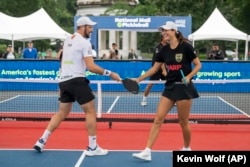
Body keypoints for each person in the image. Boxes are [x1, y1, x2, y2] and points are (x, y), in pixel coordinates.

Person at [33, 16, 121, 156]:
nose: (91, 29)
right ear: (82, 27)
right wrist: (110, 73)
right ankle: (93, 148)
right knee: (90, 112)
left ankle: (41, 140)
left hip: (64, 81)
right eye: (89, 27)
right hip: (77, 81)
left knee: (62, 113)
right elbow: (91, 67)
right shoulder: (85, 43)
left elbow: (61, 60)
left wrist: (62, 81)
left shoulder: (68, 40)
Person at [132, 21, 202, 161]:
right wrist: (138, 79)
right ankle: (147, 151)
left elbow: (198, 65)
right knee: (158, 119)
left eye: (166, 30)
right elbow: (154, 69)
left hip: (184, 88)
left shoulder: (186, 47)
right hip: (170, 87)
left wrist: (188, 77)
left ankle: (187, 148)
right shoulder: (163, 50)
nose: (163, 32)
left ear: (174, 31)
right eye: (162, 30)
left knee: (183, 122)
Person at [141, 35, 168, 106]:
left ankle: (172, 99)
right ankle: (144, 99)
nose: (167, 38)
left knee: (170, 84)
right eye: (166, 36)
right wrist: (164, 70)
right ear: (162, 38)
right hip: (156, 69)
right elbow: (160, 61)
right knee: (150, 85)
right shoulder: (158, 48)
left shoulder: (168, 46)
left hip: (165, 68)